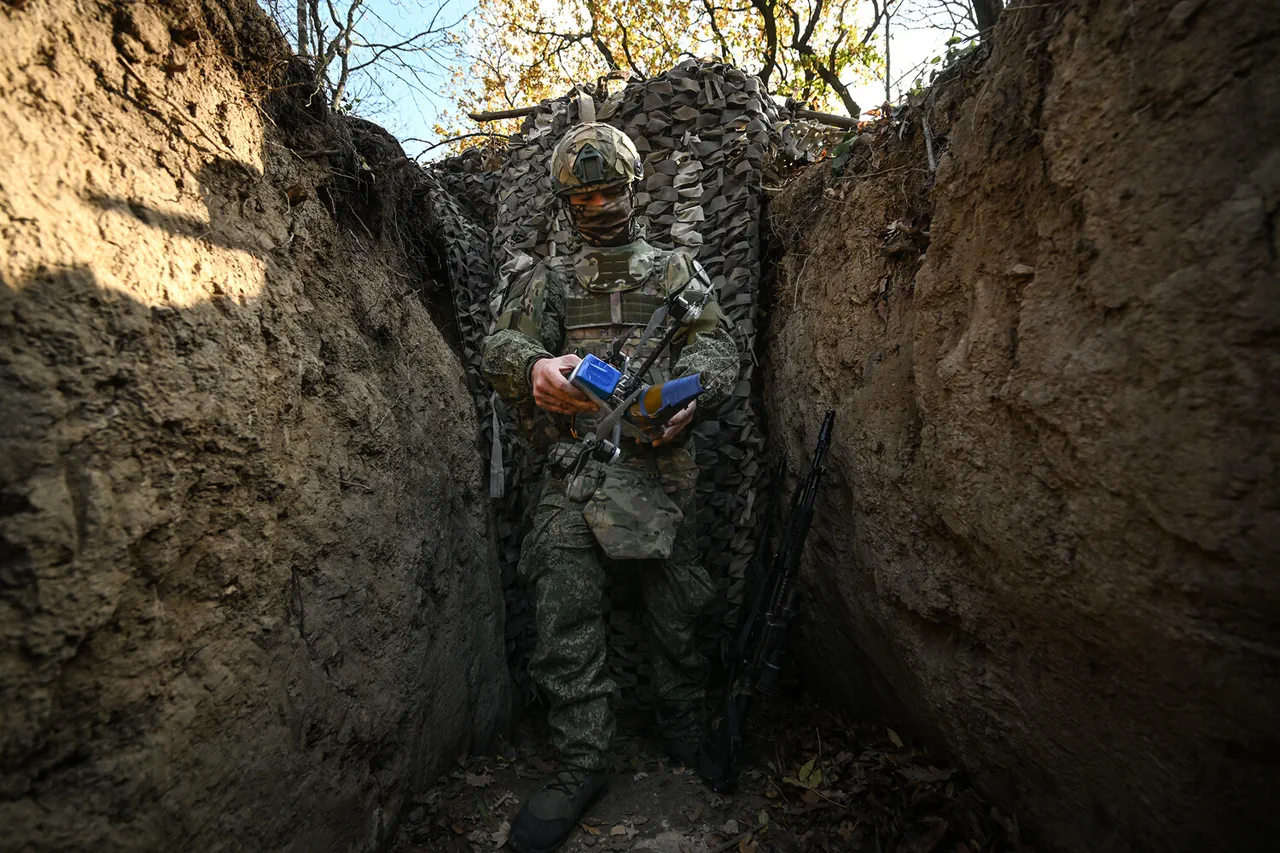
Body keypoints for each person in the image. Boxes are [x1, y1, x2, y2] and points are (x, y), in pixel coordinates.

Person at [481, 122, 739, 853]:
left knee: (682, 607)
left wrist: (695, 393)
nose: (598, 208)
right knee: (561, 604)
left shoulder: (677, 272)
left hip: (662, 466)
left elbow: (720, 348)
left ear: (634, 189)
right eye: (583, 198)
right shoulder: (548, 280)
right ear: (566, 204)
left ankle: (684, 724)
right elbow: (500, 345)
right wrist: (534, 367)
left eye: (609, 193)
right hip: (579, 466)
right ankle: (582, 758)